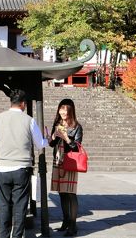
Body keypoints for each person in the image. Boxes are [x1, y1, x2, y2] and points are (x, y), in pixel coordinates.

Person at [0, 88, 48, 238]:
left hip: (2, 167)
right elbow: (40, 144)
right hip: (21, 168)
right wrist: (48, 140)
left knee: (3, 205)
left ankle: (3, 236)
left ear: (11, 102)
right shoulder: (29, 120)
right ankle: (17, 236)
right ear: (23, 104)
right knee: (20, 206)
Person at [49, 99, 83, 236]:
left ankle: (73, 225)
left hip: (70, 162)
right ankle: (66, 221)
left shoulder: (77, 127)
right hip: (58, 161)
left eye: (66, 109)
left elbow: (77, 146)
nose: (63, 111)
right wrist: (53, 136)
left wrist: (67, 138)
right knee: (61, 192)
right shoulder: (57, 124)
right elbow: (51, 144)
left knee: (70, 193)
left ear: (71, 111)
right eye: (61, 108)